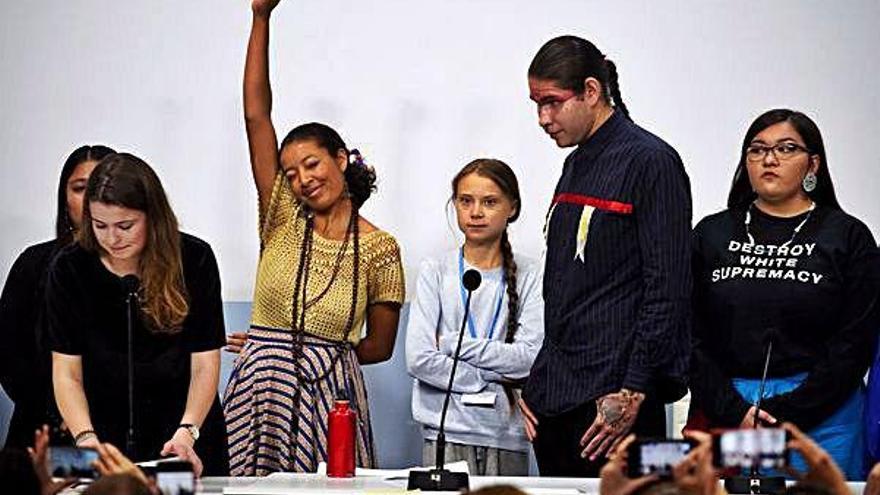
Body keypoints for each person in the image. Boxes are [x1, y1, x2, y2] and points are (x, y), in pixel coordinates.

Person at [223, 0, 405, 476]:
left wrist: (316, 354)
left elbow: (380, 346)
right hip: (259, 393)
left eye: (312, 164)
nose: (302, 179)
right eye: (291, 172)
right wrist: (261, 18)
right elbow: (256, 117)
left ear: (340, 159)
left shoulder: (380, 248)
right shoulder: (282, 215)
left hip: (330, 397)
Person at [518, 35, 692, 476]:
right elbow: (567, 288)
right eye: (536, 104)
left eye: (553, 102)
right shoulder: (575, 162)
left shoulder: (652, 161)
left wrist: (632, 390)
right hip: (558, 398)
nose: (543, 118)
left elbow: (667, 288)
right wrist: (535, 386)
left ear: (591, 92)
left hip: (614, 404)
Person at [687, 109, 880, 479]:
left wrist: (788, 412)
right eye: (757, 150)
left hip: (826, 413)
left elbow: (854, 343)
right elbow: (689, 333)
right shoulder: (711, 234)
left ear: (813, 164)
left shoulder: (848, 236)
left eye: (786, 148)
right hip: (730, 408)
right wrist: (732, 409)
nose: (769, 159)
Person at [46, 153, 229, 476]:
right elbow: (66, 371)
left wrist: (188, 432)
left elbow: (204, 364)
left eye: (125, 226)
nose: (112, 238)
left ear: (152, 216)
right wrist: (85, 438)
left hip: (182, 438)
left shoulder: (195, 259)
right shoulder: (69, 267)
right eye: (100, 225)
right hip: (101, 441)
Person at [405, 159, 544, 475]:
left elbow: (528, 360)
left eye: (490, 202)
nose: (476, 212)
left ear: (512, 207)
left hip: (505, 433)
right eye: (466, 201)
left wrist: (453, 344)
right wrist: (490, 377)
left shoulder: (530, 274)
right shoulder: (435, 271)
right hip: (445, 431)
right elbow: (419, 359)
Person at [0, 145, 116, 450]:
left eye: (102, 186)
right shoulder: (33, 264)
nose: (92, 199)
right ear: (65, 200)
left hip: (121, 434)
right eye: (80, 188)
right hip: (47, 433)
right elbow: (10, 357)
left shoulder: (146, 269)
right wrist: (63, 412)